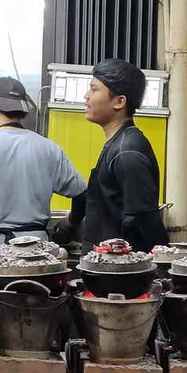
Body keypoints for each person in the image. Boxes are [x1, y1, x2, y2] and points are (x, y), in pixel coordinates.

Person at [0, 77, 87, 265]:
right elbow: (82, 194)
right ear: (23, 110)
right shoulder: (49, 148)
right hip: (36, 255)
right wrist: (71, 223)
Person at [62, 58, 168, 253]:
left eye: (94, 89)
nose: (86, 96)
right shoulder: (117, 144)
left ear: (119, 101)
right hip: (106, 272)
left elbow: (144, 223)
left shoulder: (127, 152)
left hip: (121, 277)